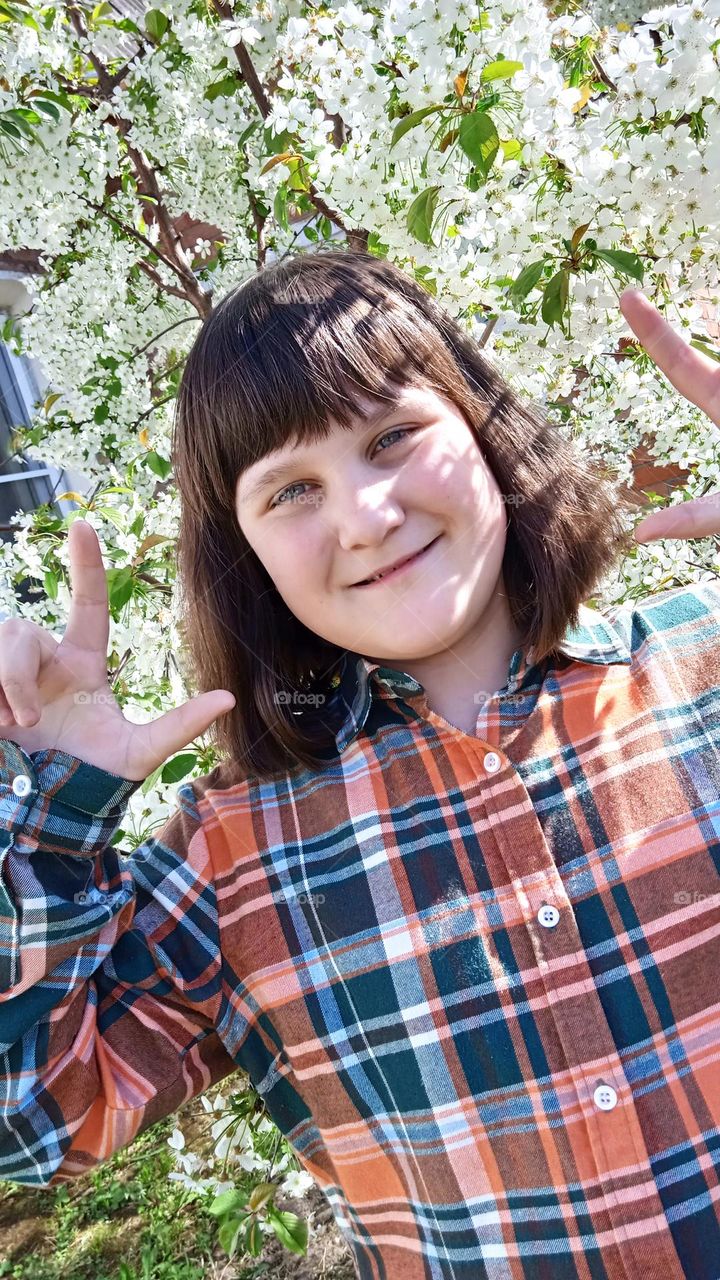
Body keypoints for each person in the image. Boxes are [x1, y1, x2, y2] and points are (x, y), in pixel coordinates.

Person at [0, 248, 719, 1280]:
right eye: (290, 489)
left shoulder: (704, 665)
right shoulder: (231, 851)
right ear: (245, 556)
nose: (367, 514)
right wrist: (46, 818)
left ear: (482, 424)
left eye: (392, 435)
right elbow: (35, 1117)